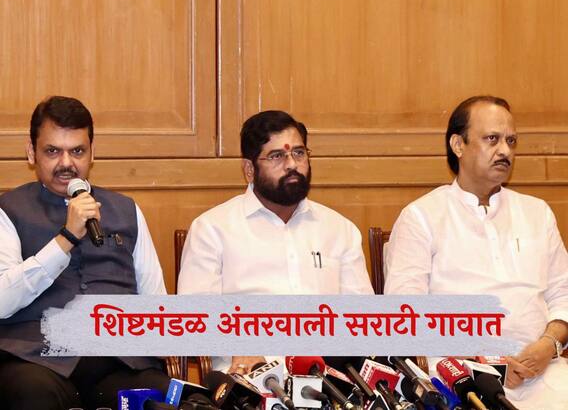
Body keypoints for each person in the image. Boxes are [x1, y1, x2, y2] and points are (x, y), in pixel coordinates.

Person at [384, 95, 568, 408]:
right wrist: (487, 362)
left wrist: (548, 344)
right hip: (461, 376)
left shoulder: (537, 213)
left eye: (511, 141)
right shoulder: (422, 217)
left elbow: (562, 294)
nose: (505, 150)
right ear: (458, 145)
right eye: (492, 139)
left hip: (541, 370)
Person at [0, 96, 169, 410]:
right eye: (53, 151)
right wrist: (65, 238)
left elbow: (155, 301)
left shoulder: (127, 210)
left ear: (93, 152)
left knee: (161, 396)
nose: (67, 163)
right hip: (37, 362)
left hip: (118, 362)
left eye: (77, 151)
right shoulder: (8, 210)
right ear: (31, 152)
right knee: (30, 394)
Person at [178, 110, 373, 373]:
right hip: (251, 378)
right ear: (249, 170)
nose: (292, 164)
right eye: (277, 156)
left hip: (328, 376)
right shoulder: (212, 229)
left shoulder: (339, 229)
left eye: (299, 153)